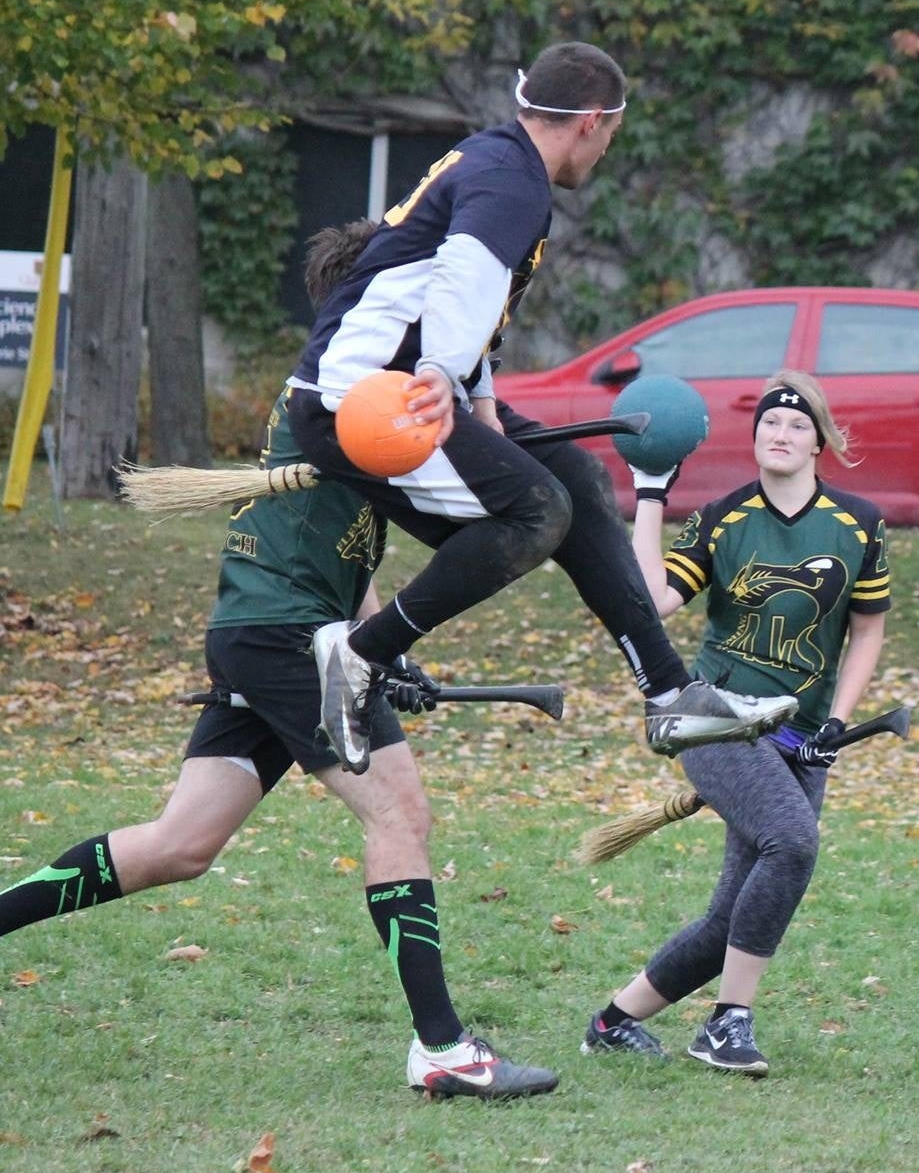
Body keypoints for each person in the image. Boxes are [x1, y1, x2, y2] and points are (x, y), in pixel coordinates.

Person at [0, 222, 556, 1099]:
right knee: (400, 814)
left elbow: (349, 545)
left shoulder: (340, 388)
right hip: (288, 636)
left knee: (180, 845)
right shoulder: (361, 390)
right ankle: (443, 1047)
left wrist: (386, 649)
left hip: (277, 629)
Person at [279, 40, 790, 773]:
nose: (607, 150)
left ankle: (670, 694)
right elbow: (462, 275)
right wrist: (438, 369)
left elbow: (464, 294)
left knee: (577, 477)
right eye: (611, 135)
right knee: (537, 510)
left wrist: (479, 395)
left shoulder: (498, 161)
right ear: (590, 121)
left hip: (417, 386)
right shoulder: (513, 182)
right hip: (363, 401)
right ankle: (359, 653)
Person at [581, 371, 891, 1075]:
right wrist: (651, 491)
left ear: (819, 441)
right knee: (792, 842)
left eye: (795, 426)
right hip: (708, 717)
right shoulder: (723, 517)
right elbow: (651, 600)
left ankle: (614, 1019)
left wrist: (838, 721)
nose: (779, 435)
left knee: (734, 915)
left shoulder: (859, 525)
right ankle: (728, 1021)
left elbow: (867, 630)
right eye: (768, 425)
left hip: (799, 737)